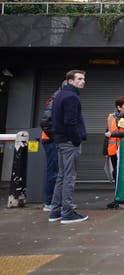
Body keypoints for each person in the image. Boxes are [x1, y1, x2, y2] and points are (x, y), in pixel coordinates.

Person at [48, 70, 88, 224]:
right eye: (79, 79)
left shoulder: (59, 95)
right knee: (69, 177)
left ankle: (55, 211)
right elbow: (70, 122)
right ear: (70, 81)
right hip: (69, 142)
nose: (83, 81)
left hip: (60, 141)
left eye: (83, 79)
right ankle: (67, 213)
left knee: (61, 176)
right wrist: (77, 139)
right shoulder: (72, 97)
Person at [39, 80, 66, 212]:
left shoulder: (60, 98)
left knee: (59, 172)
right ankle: (50, 203)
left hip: (54, 140)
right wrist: (57, 139)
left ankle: (57, 202)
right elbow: (45, 122)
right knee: (54, 171)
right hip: (51, 141)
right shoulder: (56, 100)